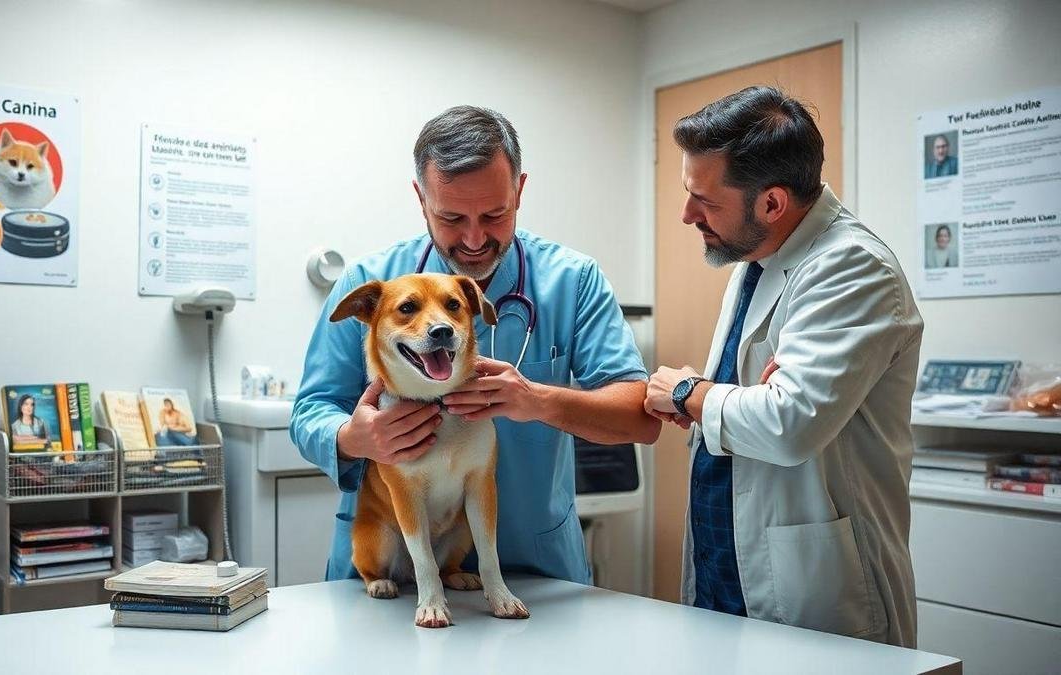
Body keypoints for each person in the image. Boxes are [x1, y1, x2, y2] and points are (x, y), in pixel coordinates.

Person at [292, 105, 661, 584]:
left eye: (494, 214)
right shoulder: (370, 284)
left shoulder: (573, 282)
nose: (473, 239)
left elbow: (637, 415)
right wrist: (352, 438)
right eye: (450, 217)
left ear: (520, 190)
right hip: (395, 571)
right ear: (420, 199)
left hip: (534, 568)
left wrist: (538, 401)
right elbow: (310, 411)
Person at [644, 86, 923, 647]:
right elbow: (761, 409)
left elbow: (788, 424)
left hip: (814, 585)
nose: (686, 213)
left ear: (771, 203)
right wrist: (732, 401)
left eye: (705, 199)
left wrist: (690, 395)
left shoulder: (851, 267)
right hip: (731, 563)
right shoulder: (758, 256)